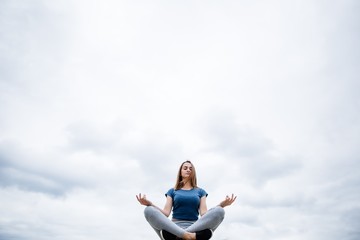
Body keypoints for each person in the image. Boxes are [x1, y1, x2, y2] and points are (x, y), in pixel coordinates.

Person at [136, 160, 237, 240]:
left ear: (193, 172)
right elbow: (165, 213)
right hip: (174, 227)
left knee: (220, 211)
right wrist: (149, 203)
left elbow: (204, 214)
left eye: (190, 168)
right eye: (185, 168)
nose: (188, 170)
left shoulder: (201, 192)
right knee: (148, 210)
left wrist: (221, 205)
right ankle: (188, 236)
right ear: (180, 172)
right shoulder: (172, 191)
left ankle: (179, 237)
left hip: (195, 227)